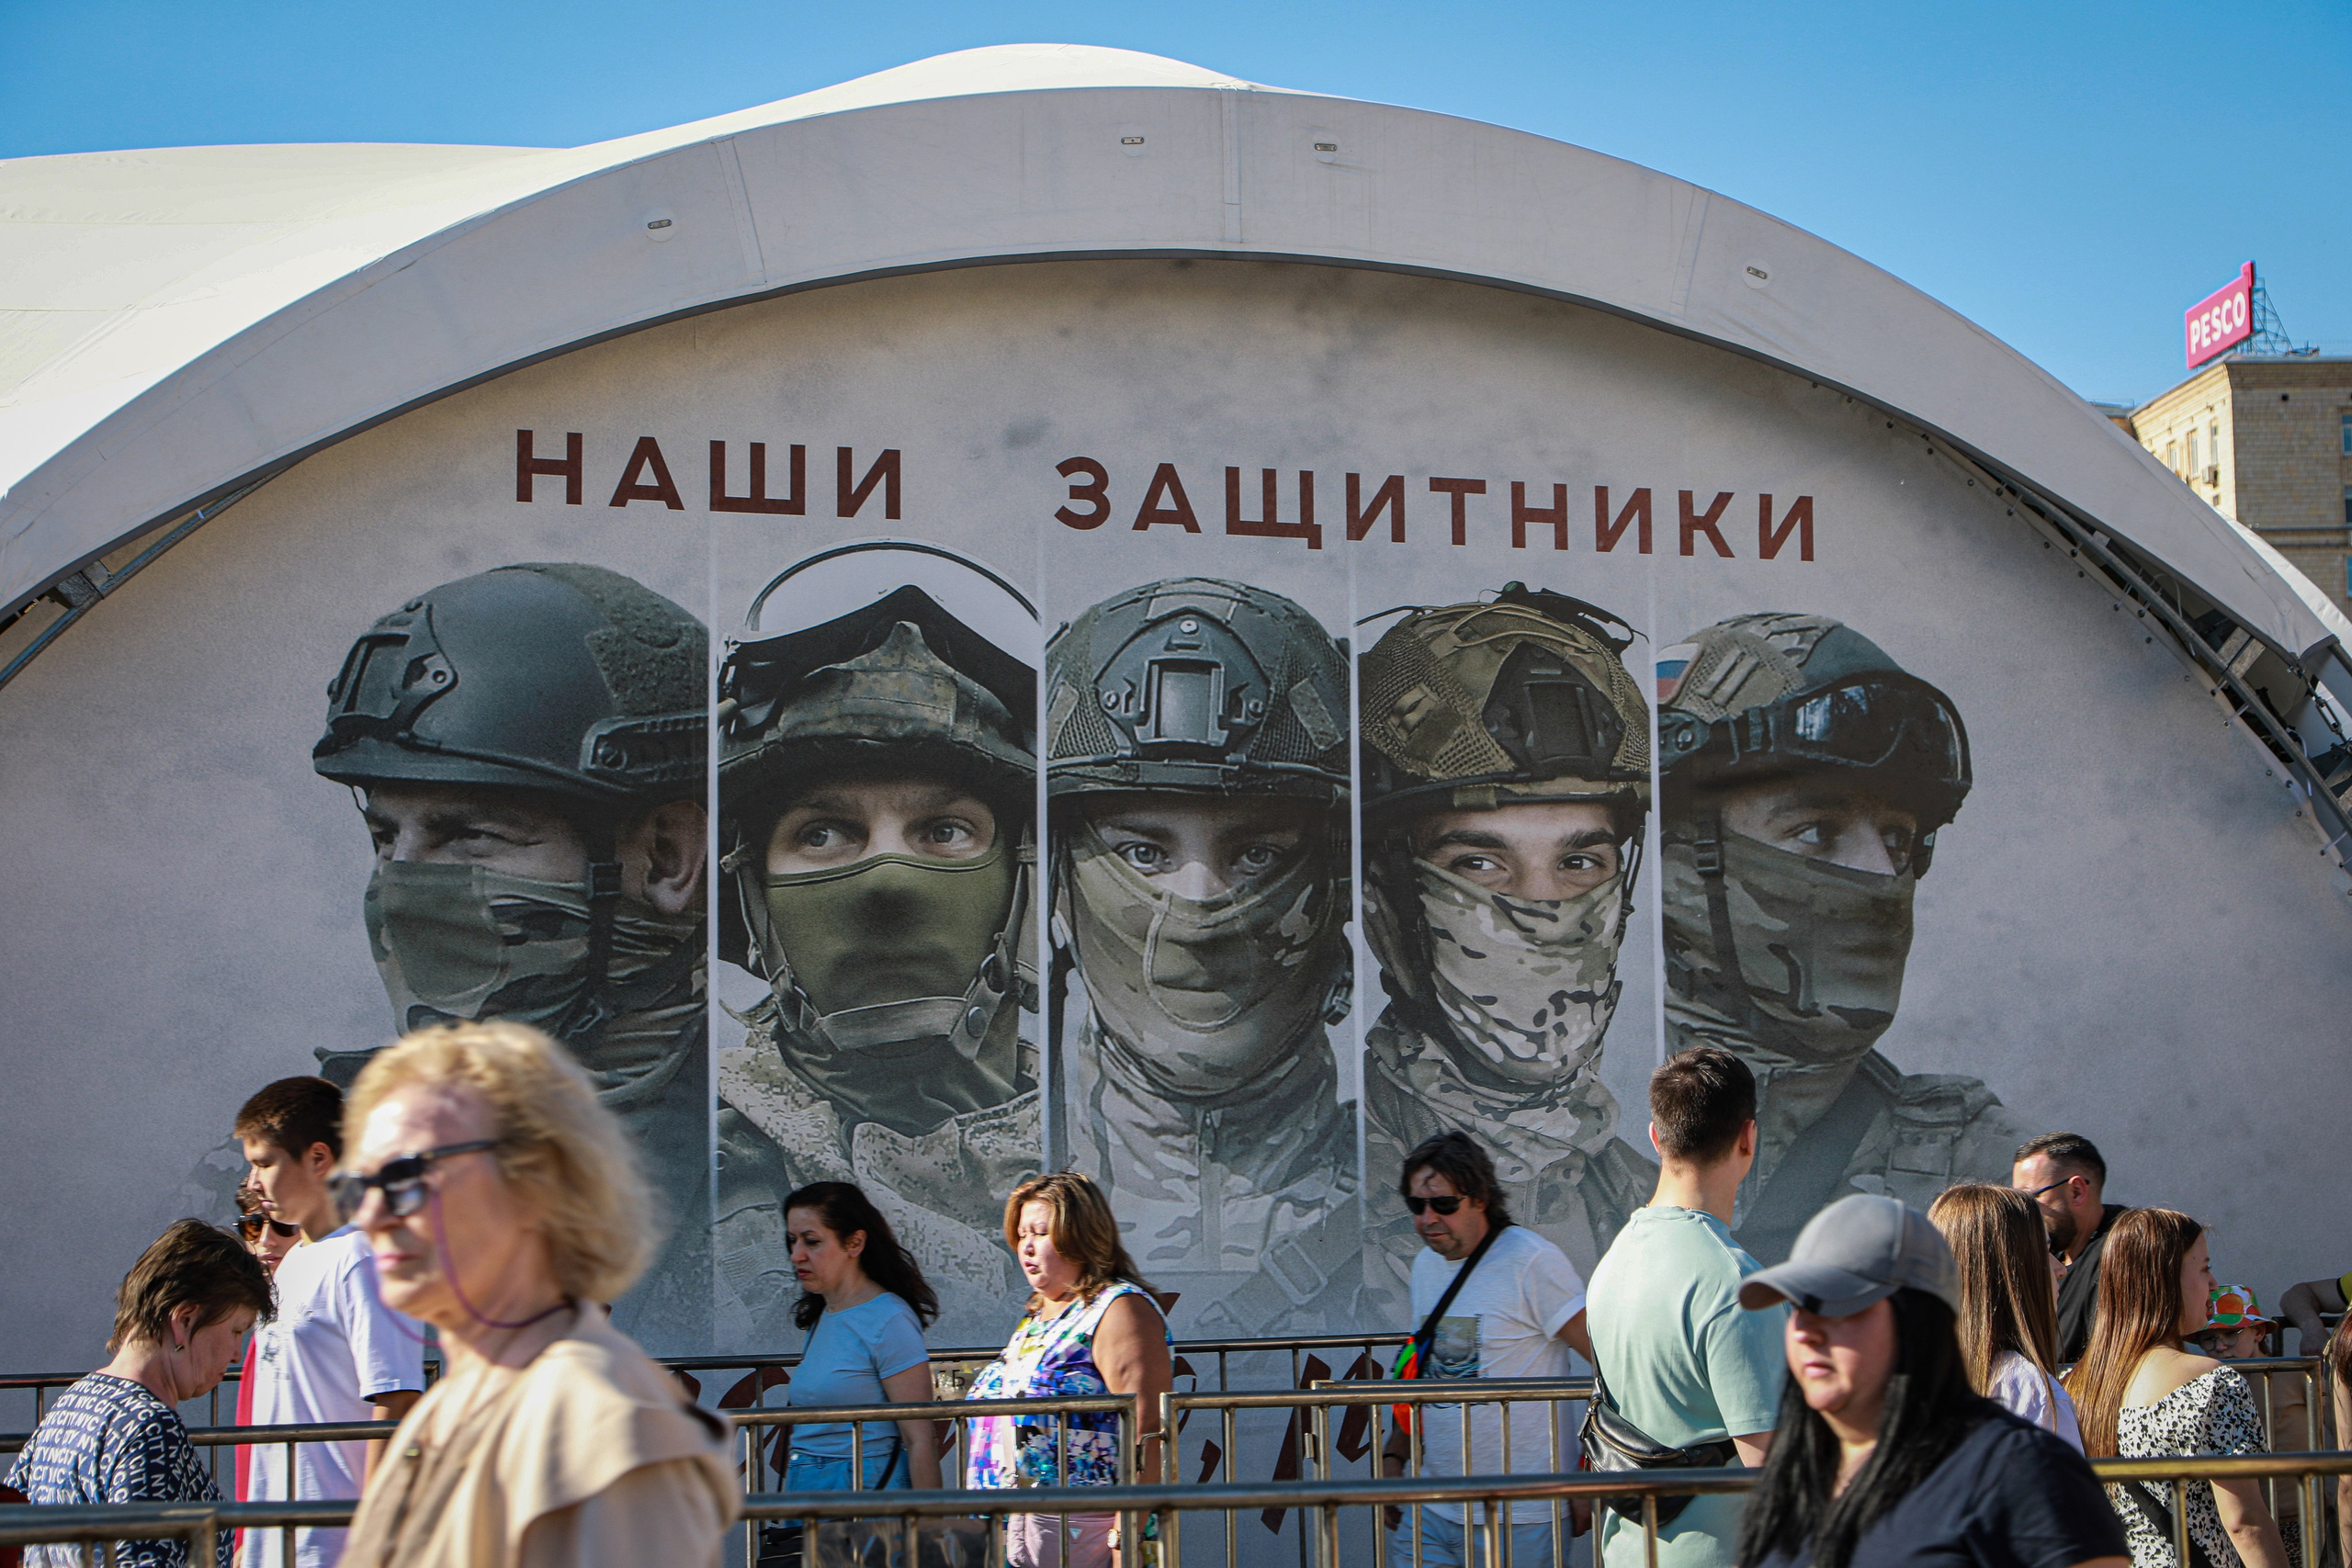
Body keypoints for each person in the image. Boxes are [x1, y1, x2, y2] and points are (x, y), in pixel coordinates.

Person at [312, 562, 712, 1348]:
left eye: (470, 834)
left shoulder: (784, 1176)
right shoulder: (308, 1159)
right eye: (385, 837)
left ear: (666, 857)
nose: (403, 887)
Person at [717, 555, 1040, 1347]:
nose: (887, 885)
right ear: (752, 893)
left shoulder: (1112, 1157)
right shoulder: (679, 1179)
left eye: (944, 830)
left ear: (1023, 884)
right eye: (822, 833)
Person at [1655, 613, 2025, 1262]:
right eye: (1817, 831)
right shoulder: (1565, 1152)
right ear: (1682, 856)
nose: (1883, 874)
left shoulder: (1980, 1168)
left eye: (1898, 839)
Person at [1045, 577, 1358, 1337]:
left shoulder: (1417, 1195)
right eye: (1142, 851)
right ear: (1058, 877)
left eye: (1257, 853)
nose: (1198, 906)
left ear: (1335, 883)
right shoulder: (963, 1196)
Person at [1357, 585, 1659, 1312]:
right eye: (1479, 864)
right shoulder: (1313, 1203)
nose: (1544, 907)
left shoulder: (1650, 1212)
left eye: (1580, 861)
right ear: (1386, 897)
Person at [337, 1020, 736, 1567]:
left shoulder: (602, 1422)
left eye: (409, 1177)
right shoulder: (455, 1405)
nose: (371, 1214)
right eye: (361, 1183)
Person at [1734, 1193, 2129, 1568]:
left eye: (1841, 1305)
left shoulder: (2023, 1471)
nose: (1807, 1331)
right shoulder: (1794, 1480)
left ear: (1917, 1319)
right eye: (1800, 1305)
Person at [1586, 1046, 1784, 1568]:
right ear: (1749, 1138)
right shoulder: (1737, 1282)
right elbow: (1776, 1474)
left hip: (1624, 1549)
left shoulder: (1615, 1259)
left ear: (1656, 1137)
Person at [1375, 1131, 1589, 1568]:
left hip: (1523, 1515)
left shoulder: (1532, 1261)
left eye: (1443, 1204)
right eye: (1417, 1205)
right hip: (1433, 1507)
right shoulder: (1425, 1265)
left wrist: (1589, 1475)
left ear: (1479, 1198)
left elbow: (1611, 1366)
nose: (1428, 1218)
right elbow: (1426, 1367)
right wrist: (1394, 1454)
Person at [235, 1077, 425, 1568]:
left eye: (264, 1163)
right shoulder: (295, 1259)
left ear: (319, 1159)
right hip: (270, 1544)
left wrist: (375, 1539)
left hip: (333, 1550)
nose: (254, 1184)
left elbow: (397, 1401)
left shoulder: (367, 1256)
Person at [6, 1220, 272, 1568]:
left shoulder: (74, 1401)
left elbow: (14, 1521)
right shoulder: (150, 1427)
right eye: (236, 1330)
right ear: (185, 1319)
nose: (237, 1353)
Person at [966, 1171, 1172, 1568]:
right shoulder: (1039, 1316)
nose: (1026, 1247)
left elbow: (1147, 1431)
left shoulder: (1120, 1309)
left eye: (1040, 1233)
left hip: (1081, 1533)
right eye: (1021, 1234)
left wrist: (1123, 1538)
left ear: (1081, 1236)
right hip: (1017, 1529)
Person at [2064, 1208, 2290, 1568]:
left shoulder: (2074, 1386)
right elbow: (2245, 1523)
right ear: (2165, 1279)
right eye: (2203, 1268)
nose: (2214, 1283)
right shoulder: (2211, 1383)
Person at [779, 1181, 944, 1494]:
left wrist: (930, 1528)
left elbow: (920, 1437)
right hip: (813, 1485)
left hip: (862, 1490)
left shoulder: (888, 1319)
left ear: (854, 1244)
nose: (796, 1255)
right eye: (792, 1241)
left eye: (811, 1241)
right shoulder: (827, 1312)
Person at [1926, 1184, 2082, 1450]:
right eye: (2042, 1252)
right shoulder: (2026, 1389)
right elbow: (2061, 1491)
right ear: (2011, 1271)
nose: (2059, 1269)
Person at [2011, 1133, 2128, 1364]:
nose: (2024, 1212)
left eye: (2029, 1198)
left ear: (2076, 1191)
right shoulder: (2043, 1251)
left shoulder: (2125, 1251)